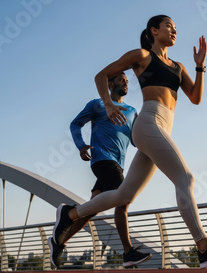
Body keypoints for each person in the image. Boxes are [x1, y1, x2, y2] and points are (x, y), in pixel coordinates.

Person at [52, 15, 207, 268]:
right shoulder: (142, 56)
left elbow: (195, 98)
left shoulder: (179, 66)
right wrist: (108, 105)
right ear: (154, 30)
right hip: (149, 122)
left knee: (123, 194)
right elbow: (101, 75)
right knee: (186, 179)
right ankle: (203, 246)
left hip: (163, 127)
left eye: (175, 28)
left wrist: (200, 66)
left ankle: (70, 213)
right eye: (168, 26)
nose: (174, 31)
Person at [48, 72, 151, 268]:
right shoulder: (98, 104)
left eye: (128, 81)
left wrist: (146, 128)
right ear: (110, 84)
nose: (126, 83)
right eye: (121, 79)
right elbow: (75, 124)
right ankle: (128, 252)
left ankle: (58, 241)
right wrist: (81, 145)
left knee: (90, 210)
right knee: (123, 199)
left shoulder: (131, 111)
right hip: (102, 159)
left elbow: (136, 142)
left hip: (117, 164)